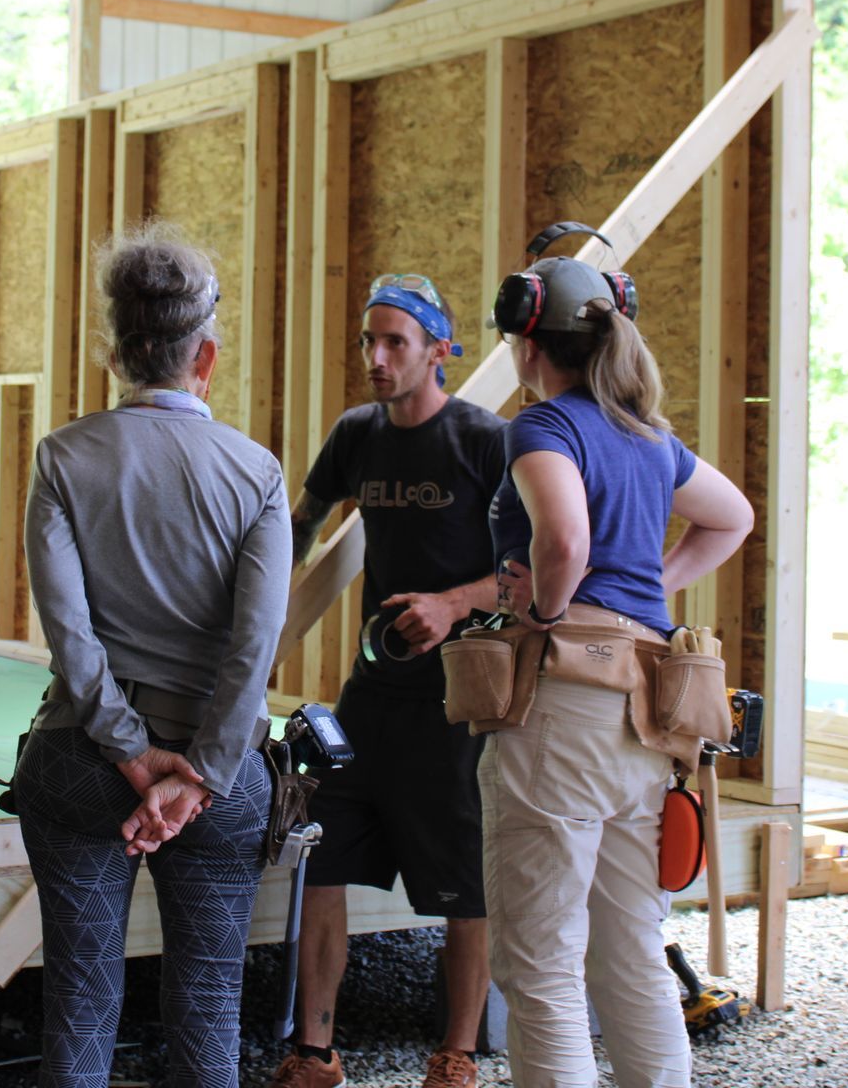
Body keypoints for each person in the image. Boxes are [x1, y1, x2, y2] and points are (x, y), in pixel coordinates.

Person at [12, 226, 289, 1088]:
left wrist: (131, 754)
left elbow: (69, 630)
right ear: (204, 355)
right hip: (221, 776)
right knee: (209, 1007)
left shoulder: (63, 458)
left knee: (81, 1000)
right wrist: (199, 772)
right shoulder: (257, 473)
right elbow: (254, 647)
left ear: (118, 353)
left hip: (83, 760)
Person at [484, 256, 753, 1088]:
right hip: (645, 710)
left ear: (529, 342)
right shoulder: (647, 437)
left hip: (567, 704)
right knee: (632, 945)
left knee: (542, 959)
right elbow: (732, 517)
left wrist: (551, 609)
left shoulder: (545, 426)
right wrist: (648, 590)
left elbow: (563, 541)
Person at [268, 274, 505, 1088]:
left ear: (438, 350)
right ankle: (316, 1050)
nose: (375, 357)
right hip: (373, 692)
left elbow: (533, 573)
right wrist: (262, 614)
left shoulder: (484, 440)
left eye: (394, 341)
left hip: (460, 699)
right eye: (369, 340)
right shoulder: (357, 435)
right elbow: (298, 525)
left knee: (463, 885)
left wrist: (453, 604)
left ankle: (458, 1055)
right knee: (324, 855)